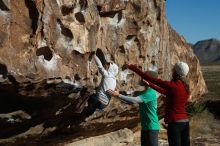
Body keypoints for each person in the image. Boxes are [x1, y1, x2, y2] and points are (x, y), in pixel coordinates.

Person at [126, 61, 190, 146]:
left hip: (175, 122)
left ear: (176, 72)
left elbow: (152, 79)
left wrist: (133, 67)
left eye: (173, 69)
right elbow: (166, 92)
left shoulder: (173, 85)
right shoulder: (185, 87)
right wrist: (150, 85)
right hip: (185, 122)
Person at [108, 71, 166, 146]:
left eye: (143, 78)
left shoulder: (150, 93)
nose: (141, 79)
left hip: (152, 127)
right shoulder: (144, 92)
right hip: (146, 127)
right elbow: (130, 98)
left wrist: (118, 95)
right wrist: (118, 93)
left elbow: (134, 100)